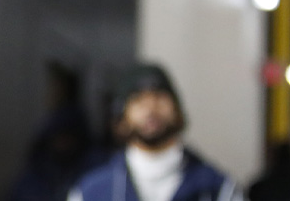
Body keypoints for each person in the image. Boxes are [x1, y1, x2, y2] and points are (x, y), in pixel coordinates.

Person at [69, 62, 244, 201]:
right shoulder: (92, 192)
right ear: (121, 119)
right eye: (138, 100)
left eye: (159, 97)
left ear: (177, 111)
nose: (151, 109)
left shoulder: (217, 189)